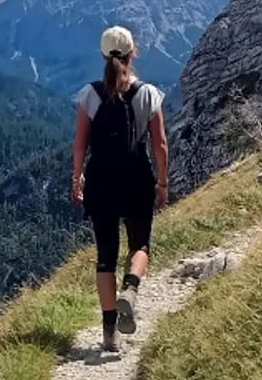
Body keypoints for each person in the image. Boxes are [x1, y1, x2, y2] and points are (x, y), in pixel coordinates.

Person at [71, 25, 169, 353]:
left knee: (105, 257)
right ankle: (131, 288)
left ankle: (109, 334)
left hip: (101, 180)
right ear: (133, 52)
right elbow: (160, 144)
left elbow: (80, 145)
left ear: (103, 55)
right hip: (137, 178)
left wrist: (77, 179)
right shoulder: (149, 94)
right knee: (139, 244)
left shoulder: (89, 94)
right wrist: (162, 182)